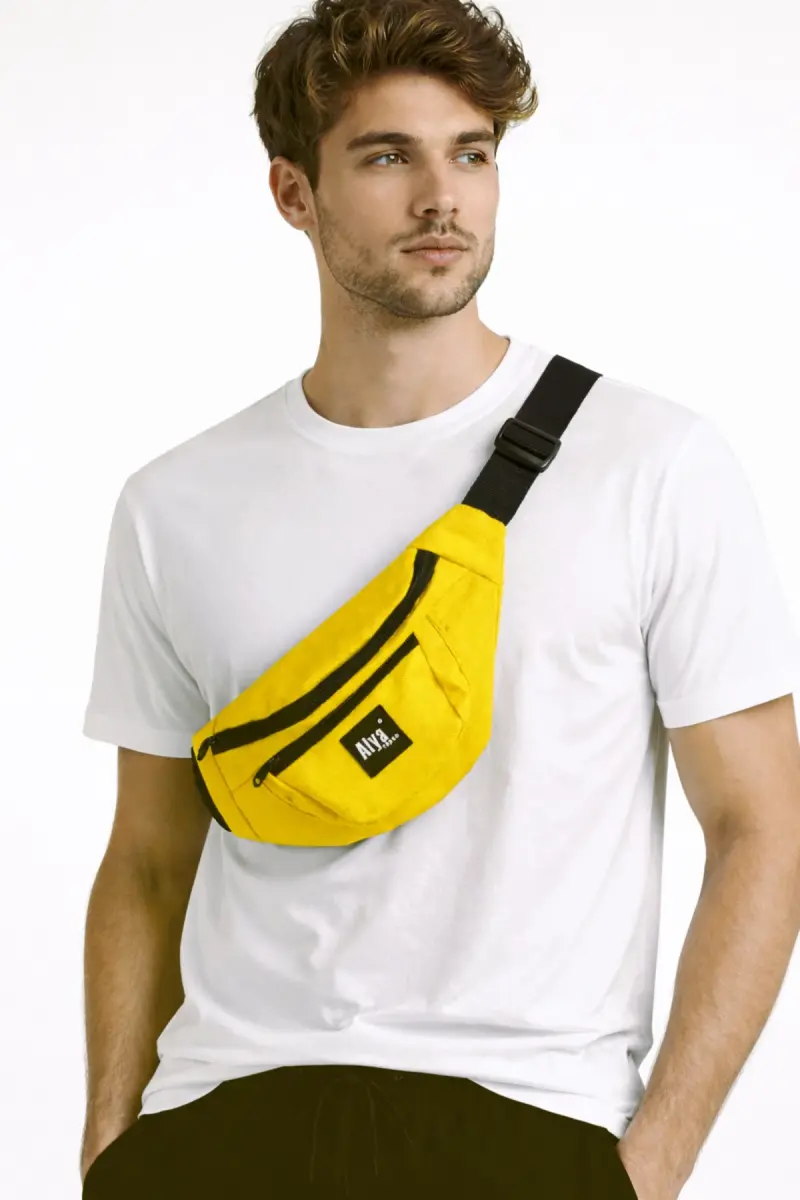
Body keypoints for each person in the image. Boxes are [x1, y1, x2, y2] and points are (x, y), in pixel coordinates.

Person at [79, 1, 800, 1197]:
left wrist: (649, 1164)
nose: (440, 198)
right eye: (385, 156)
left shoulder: (650, 464)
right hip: (221, 1122)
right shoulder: (175, 503)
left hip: (522, 1120)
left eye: (470, 153)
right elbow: (149, 861)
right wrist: (111, 1146)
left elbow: (761, 826)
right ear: (292, 193)